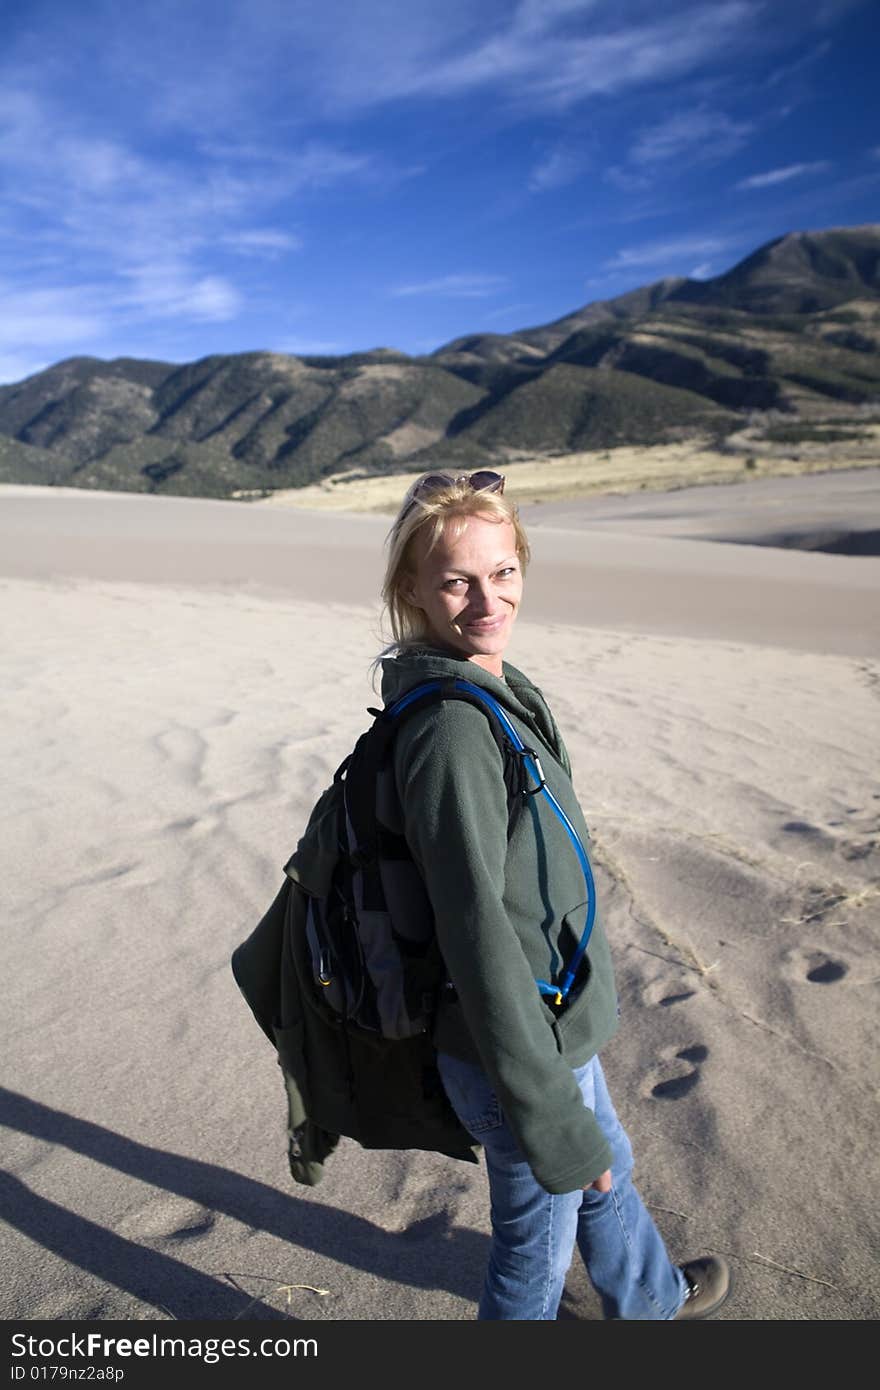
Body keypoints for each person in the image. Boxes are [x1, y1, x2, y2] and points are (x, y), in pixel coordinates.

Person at [375, 469, 732, 1320]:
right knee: (538, 1239)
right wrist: (544, 1107)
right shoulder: (453, 732)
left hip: (552, 1016)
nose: (486, 600)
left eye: (502, 572)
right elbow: (476, 935)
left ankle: (648, 1297)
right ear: (412, 589)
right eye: (456, 579)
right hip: (514, 1041)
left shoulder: (494, 689)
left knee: (606, 1160)